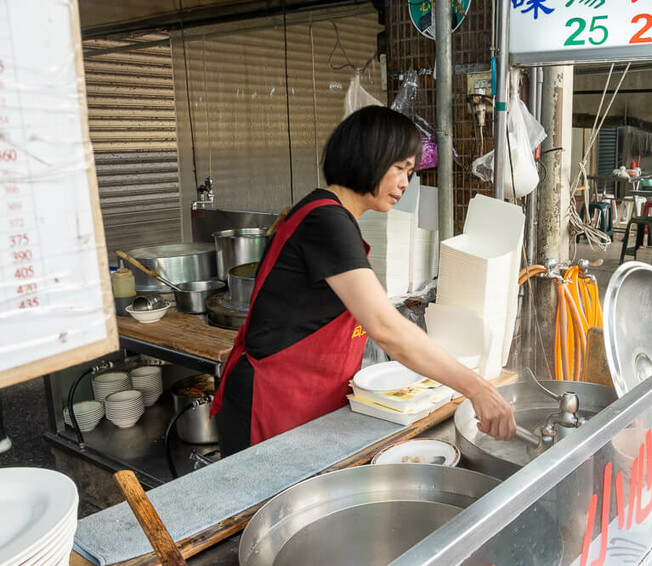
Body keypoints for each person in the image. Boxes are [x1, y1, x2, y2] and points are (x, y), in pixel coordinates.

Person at [211, 105, 516, 456]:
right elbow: (386, 328)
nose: (405, 182)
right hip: (271, 403)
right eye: (399, 168)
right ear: (368, 156)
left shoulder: (332, 216)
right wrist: (476, 388)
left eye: (410, 171)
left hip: (302, 399)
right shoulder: (326, 221)